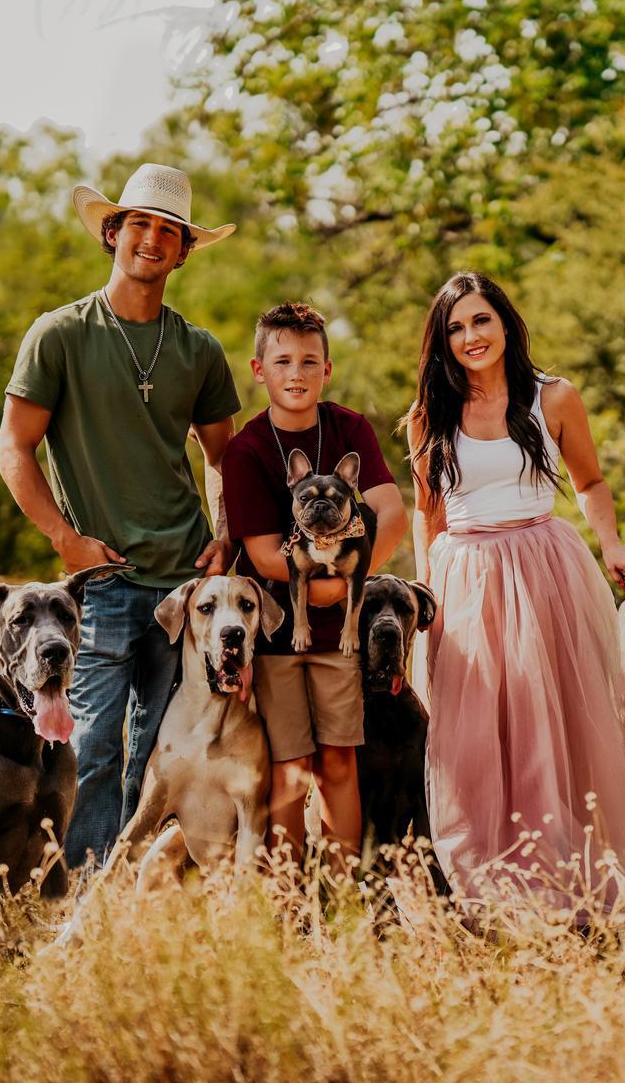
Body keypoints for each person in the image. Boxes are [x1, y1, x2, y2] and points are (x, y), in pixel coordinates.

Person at [0, 163, 245, 871]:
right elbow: (13, 448)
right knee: (92, 746)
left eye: (170, 230)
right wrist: (64, 539)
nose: (152, 239)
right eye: (139, 223)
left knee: (159, 750)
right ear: (113, 232)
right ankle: (81, 893)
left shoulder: (199, 350)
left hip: (184, 590)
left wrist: (225, 534)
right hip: (100, 582)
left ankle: (133, 890)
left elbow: (225, 457)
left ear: (184, 250)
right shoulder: (59, 335)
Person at [404, 272, 625, 916]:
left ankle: (569, 870)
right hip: (464, 577)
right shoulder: (428, 415)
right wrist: (424, 589)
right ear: (441, 340)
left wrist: (610, 542)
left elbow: (591, 481)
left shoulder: (554, 398)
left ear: (505, 323)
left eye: (481, 320)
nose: (471, 336)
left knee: (554, 723)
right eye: (456, 327)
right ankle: (493, 883)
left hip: (544, 567)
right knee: (474, 733)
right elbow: (426, 511)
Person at [221, 302, 408, 873]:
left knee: (338, 764)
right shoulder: (247, 450)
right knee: (289, 768)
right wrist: (321, 591)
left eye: (309, 361)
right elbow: (261, 555)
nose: (296, 373)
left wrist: (349, 582)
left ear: (327, 370)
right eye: (282, 361)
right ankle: (288, 901)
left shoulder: (350, 428)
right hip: (279, 633)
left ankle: (343, 895)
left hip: (340, 637)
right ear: (259, 370)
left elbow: (391, 513)